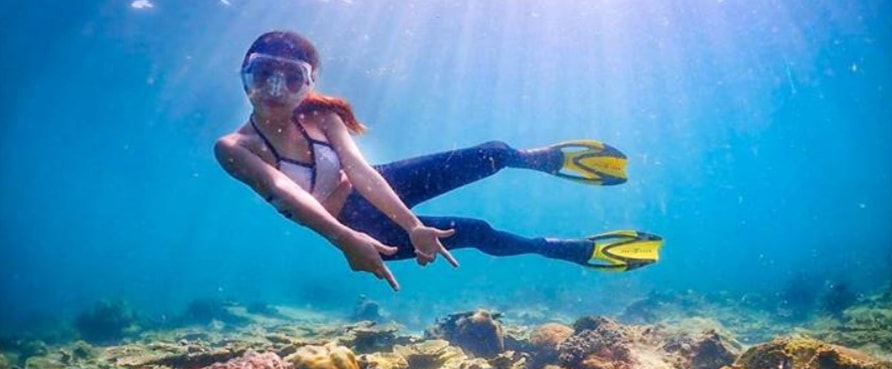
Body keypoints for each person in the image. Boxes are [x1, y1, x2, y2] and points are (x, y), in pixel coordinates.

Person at [215, 31, 661, 291]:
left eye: (293, 78)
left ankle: (536, 160)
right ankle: (567, 250)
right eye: (263, 73)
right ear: (243, 74)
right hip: (349, 222)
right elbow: (288, 195)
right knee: (476, 232)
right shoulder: (235, 147)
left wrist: (411, 224)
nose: (275, 88)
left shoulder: (322, 117)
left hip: (373, 190)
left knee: (493, 152)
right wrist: (345, 239)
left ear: (308, 85)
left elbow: (362, 172)